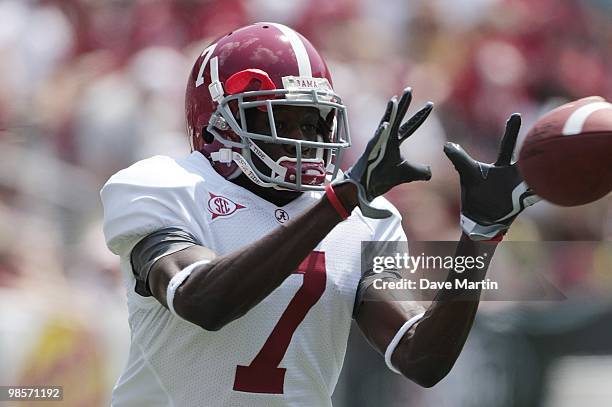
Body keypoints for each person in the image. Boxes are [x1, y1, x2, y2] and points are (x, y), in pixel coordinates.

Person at [101, 22, 539, 407]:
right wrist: (338, 201)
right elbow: (203, 302)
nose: (300, 139)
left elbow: (420, 358)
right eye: (277, 121)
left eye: (311, 124)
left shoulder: (367, 217)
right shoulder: (164, 186)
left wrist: (479, 239)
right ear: (219, 124)